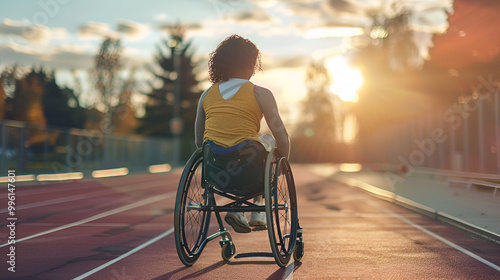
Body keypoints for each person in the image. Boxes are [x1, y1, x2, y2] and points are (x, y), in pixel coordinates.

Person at [195, 34, 290, 233]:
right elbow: (281, 136)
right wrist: (280, 169)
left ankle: (241, 208)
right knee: (267, 141)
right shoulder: (261, 94)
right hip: (249, 168)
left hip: (215, 172)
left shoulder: (206, 95)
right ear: (253, 64)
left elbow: (199, 141)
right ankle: (257, 208)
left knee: (245, 148)